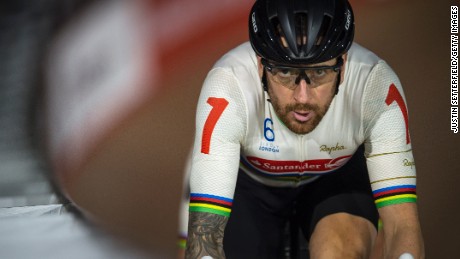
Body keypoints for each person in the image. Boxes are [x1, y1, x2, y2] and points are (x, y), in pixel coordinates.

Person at [184, 0, 425, 258]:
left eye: (320, 71)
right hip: (251, 189)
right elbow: (204, 240)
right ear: (260, 67)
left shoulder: (375, 87)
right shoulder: (228, 87)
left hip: (336, 182)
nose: (302, 97)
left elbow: (402, 224)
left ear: (343, 66)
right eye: (285, 71)